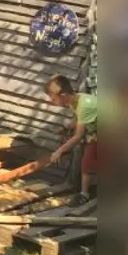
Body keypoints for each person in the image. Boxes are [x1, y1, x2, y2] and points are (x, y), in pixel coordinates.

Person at [45, 74, 98, 203]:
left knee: (91, 162)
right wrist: (68, 127)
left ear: (63, 96)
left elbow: (78, 136)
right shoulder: (74, 101)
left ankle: (86, 194)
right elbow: (78, 117)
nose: (51, 101)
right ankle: (85, 194)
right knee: (87, 162)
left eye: (53, 98)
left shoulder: (85, 105)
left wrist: (59, 151)